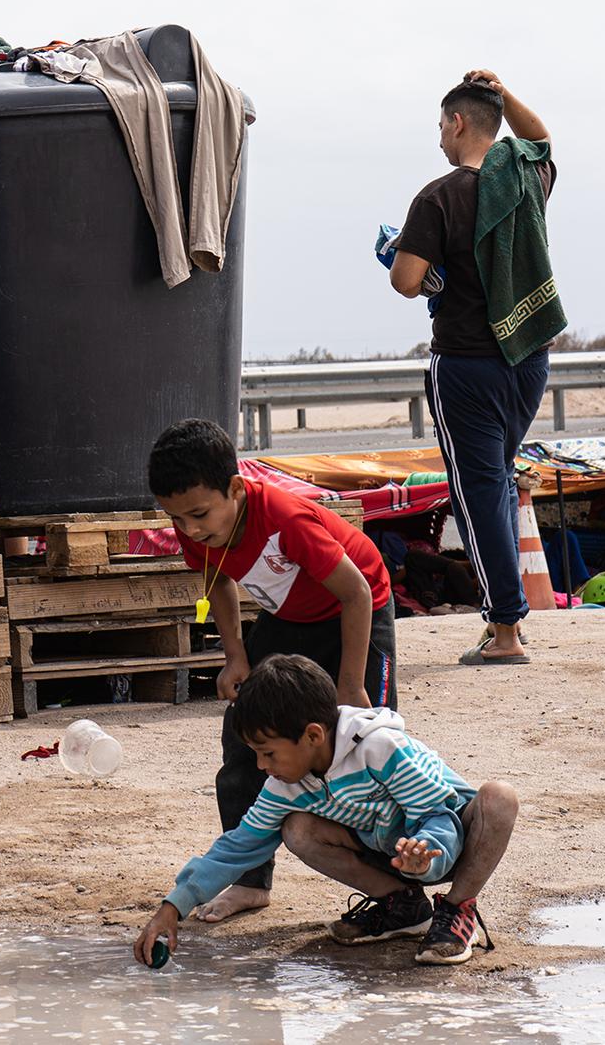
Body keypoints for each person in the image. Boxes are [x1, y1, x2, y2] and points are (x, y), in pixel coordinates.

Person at [149, 418, 396, 926]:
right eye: (177, 518)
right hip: (287, 618)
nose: (190, 529)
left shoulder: (286, 519)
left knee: (367, 747)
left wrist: (351, 685)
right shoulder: (195, 526)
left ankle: (395, 890)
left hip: (357, 610)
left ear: (236, 489)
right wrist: (235, 655)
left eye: (199, 515)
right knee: (244, 736)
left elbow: (355, 593)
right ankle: (249, 881)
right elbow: (218, 580)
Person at [134, 654, 519, 968]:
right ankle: (403, 907)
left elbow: (437, 813)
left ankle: (457, 910)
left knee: (499, 798)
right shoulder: (285, 785)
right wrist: (174, 905)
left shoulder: (382, 749)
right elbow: (238, 846)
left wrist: (426, 859)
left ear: (313, 735)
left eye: (268, 753)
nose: (262, 766)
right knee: (297, 829)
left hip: (446, 842)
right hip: (392, 855)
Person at [389, 70, 561, 665]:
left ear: (458, 122)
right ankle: (503, 620)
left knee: (478, 493)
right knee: (496, 482)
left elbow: (406, 280)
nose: (439, 137)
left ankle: (506, 628)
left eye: (441, 125)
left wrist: (406, 259)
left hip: (466, 366)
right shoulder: (525, 180)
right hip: (528, 358)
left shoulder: (438, 197)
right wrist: (505, 91)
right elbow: (541, 140)